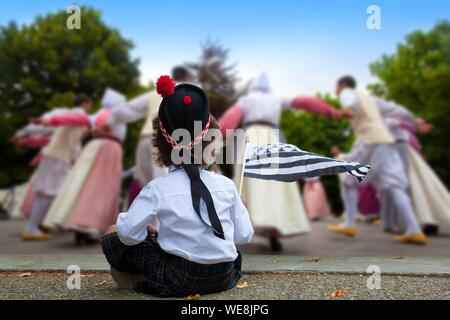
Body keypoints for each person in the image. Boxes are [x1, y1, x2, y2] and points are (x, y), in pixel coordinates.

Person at [101, 76, 253, 297]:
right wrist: (240, 208)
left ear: (160, 144)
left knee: (112, 234)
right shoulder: (227, 186)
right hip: (224, 276)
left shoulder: (157, 188)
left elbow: (128, 235)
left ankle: (143, 278)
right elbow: (244, 236)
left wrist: (148, 231)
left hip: (179, 278)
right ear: (210, 141)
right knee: (224, 244)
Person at [219, 73, 340, 251]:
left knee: (251, 185)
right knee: (274, 186)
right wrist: (331, 111)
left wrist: (214, 137)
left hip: (251, 138)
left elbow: (229, 120)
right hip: (272, 139)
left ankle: (243, 225)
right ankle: (274, 230)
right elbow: (304, 102)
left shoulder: (246, 100)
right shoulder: (276, 98)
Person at [328, 76, 426, 244]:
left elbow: (348, 101)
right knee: (394, 185)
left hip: (369, 140)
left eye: (336, 86)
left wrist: (347, 109)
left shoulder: (348, 92)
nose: (336, 90)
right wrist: (415, 121)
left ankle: (349, 224)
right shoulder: (371, 99)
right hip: (385, 142)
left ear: (342, 84)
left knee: (347, 180)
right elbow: (397, 109)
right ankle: (414, 230)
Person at [42, 88, 127, 243]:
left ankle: (75, 220)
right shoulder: (118, 115)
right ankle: (89, 225)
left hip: (93, 146)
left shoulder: (97, 115)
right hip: (110, 149)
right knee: (103, 188)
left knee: (82, 183)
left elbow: (84, 131)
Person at [106, 66, 193, 207]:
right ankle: (161, 228)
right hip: (166, 141)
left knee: (145, 189)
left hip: (145, 140)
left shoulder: (154, 94)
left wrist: (110, 123)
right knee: (164, 189)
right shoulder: (191, 92)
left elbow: (124, 110)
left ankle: (139, 227)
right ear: (188, 78)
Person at [20, 95, 92, 240]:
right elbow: (76, 120)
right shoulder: (80, 115)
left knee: (49, 193)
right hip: (58, 158)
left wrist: (28, 140)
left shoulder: (69, 115)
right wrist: (49, 121)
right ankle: (33, 228)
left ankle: (34, 226)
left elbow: (52, 136)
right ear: (85, 104)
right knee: (54, 192)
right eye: (90, 105)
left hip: (54, 157)